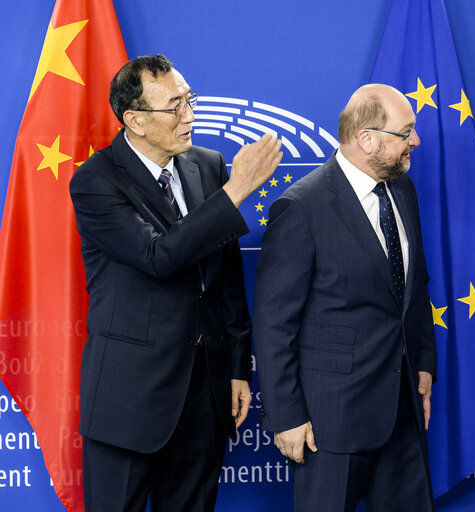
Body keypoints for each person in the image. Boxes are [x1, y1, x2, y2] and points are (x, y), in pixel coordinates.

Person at [69, 54, 282, 512]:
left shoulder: (207, 166)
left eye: (190, 100)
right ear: (136, 120)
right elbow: (157, 257)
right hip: (129, 402)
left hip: (203, 396)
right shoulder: (96, 181)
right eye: (175, 105)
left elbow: (225, 276)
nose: (190, 115)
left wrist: (237, 367)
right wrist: (236, 191)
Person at [253, 83, 437, 511]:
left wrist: (423, 361)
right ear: (366, 138)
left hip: (402, 410)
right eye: (406, 132)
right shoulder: (302, 207)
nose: (416, 141)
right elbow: (273, 323)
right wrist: (286, 416)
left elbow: (414, 286)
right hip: (329, 423)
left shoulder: (403, 190)